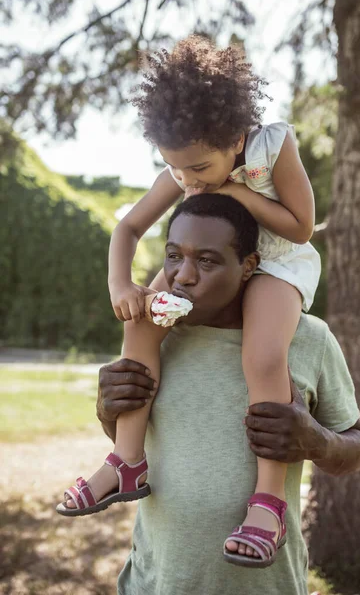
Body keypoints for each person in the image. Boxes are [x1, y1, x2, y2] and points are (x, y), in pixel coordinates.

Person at [57, 35, 321, 566]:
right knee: (143, 323)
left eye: (198, 169)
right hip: (204, 261)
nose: (187, 181)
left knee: (263, 356)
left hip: (273, 261)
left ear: (234, 136)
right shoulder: (181, 171)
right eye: (175, 169)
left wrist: (240, 193)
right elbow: (128, 227)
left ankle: (267, 500)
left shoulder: (273, 146)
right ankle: (127, 459)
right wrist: (122, 286)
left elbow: (301, 227)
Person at [96, 194, 360, 595]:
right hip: (154, 583)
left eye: (207, 261)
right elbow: (146, 445)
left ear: (248, 267)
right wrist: (108, 410)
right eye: (173, 256)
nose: (182, 276)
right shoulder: (153, 338)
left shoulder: (309, 338)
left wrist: (315, 440)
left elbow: (355, 448)